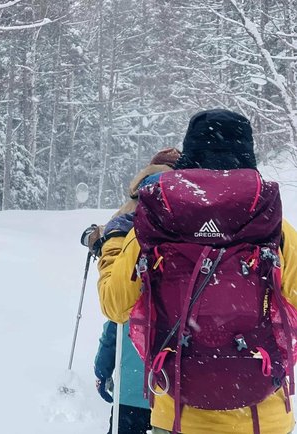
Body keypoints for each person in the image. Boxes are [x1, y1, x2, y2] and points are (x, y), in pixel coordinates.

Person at [95, 109, 297, 434]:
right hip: (264, 418)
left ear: (189, 157)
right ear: (248, 157)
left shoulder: (156, 224)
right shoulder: (274, 230)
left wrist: (113, 246)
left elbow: (115, 305)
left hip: (178, 416)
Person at [83, 148, 181, 434]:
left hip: (133, 369)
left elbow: (117, 310)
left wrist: (104, 363)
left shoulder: (135, 204)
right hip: (179, 379)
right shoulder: (189, 208)